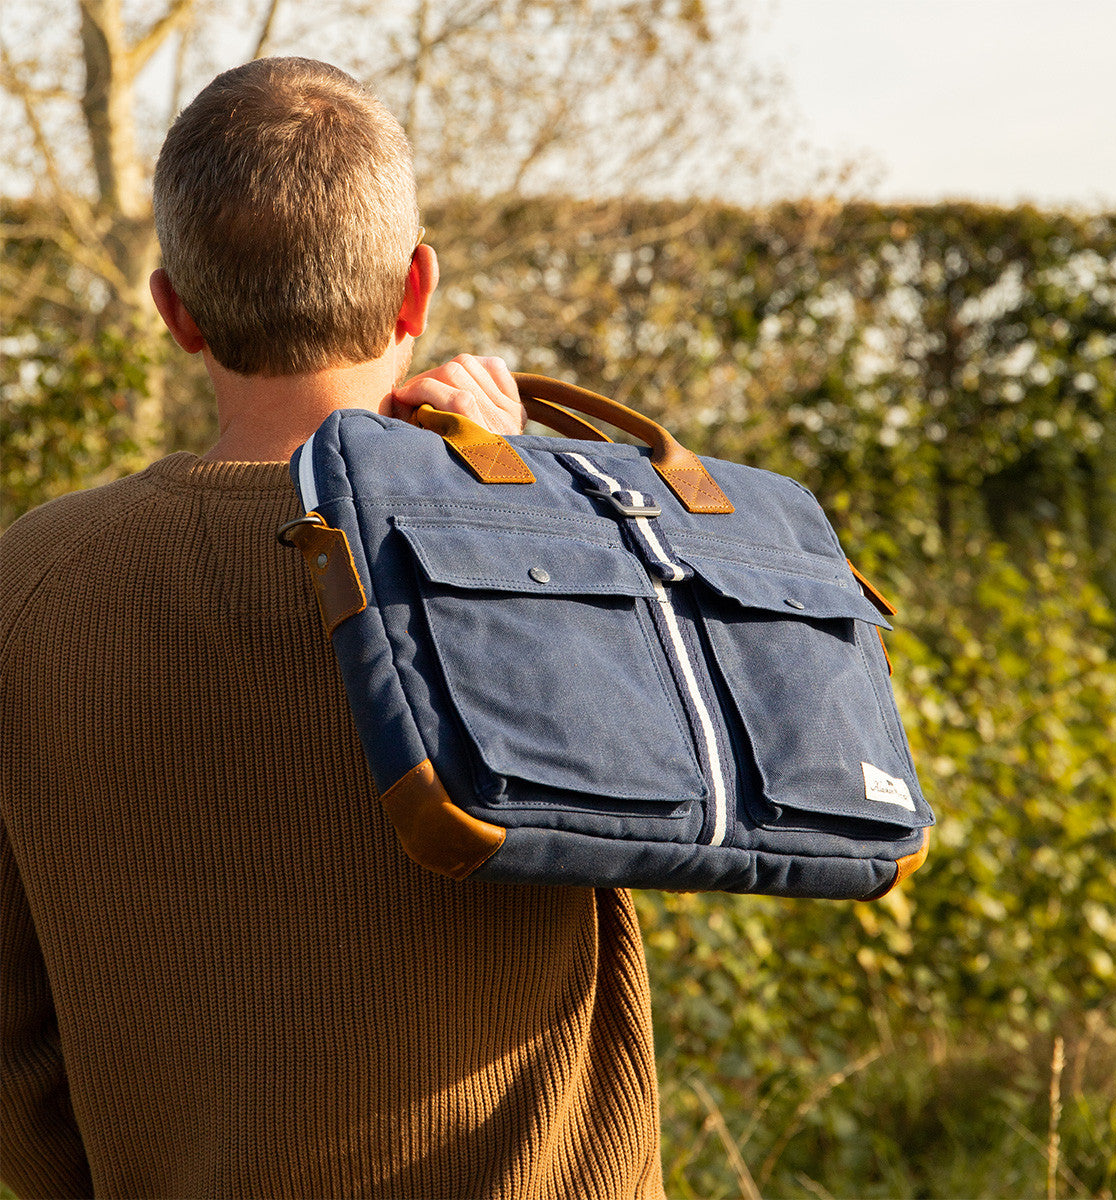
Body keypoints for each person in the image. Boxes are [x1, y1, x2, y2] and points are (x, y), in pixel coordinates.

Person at [0, 57, 664, 1199]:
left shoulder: (29, 586)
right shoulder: (542, 552)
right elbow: (695, 806)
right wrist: (511, 499)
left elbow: (11, 1046)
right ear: (416, 292)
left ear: (174, 311)